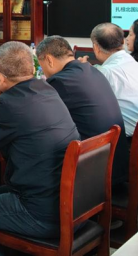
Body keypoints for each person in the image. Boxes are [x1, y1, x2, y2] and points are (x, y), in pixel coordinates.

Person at [0, 41, 80, 256]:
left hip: (42, 213)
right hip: (71, 204)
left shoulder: (7, 103)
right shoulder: (48, 89)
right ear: (31, 68)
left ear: (0, 77)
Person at [36, 35, 129, 184]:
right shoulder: (92, 70)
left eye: (42, 66)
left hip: (94, 176)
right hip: (116, 164)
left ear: (49, 60)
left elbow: (39, 116)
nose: (44, 73)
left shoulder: (60, 81)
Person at [81, 23, 138, 137]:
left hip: (130, 139)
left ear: (96, 47)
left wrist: (82, 70)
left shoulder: (106, 72)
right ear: (122, 42)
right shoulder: (132, 61)